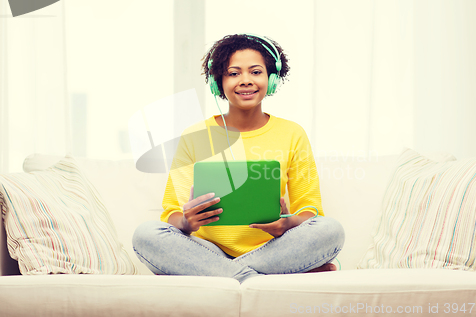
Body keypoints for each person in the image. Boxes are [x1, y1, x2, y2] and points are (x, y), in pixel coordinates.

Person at [132, 34, 345, 283]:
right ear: (217, 82)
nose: (245, 81)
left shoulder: (292, 133)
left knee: (331, 230)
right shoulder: (193, 136)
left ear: (272, 79)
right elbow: (171, 214)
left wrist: (287, 223)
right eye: (233, 73)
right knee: (146, 235)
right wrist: (188, 223)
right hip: (206, 251)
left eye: (256, 72)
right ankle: (255, 277)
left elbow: (310, 210)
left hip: (273, 250)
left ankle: (222, 275)